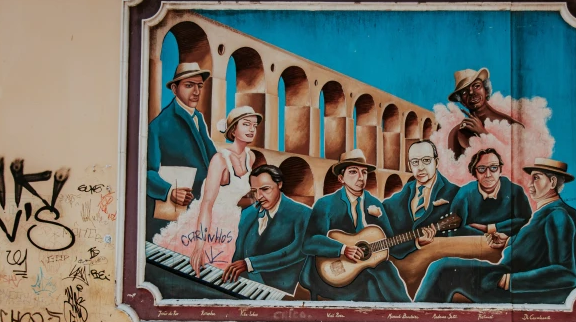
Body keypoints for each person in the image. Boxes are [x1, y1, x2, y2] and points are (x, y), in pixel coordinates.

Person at [415, 158, 576, 305]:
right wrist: (508, 241)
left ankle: (417, 321)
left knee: (443, 269)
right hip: (509, 277)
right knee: (444, 267)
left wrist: (510, 281)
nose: (530, 183)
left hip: (516, 286)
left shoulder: (558, 215)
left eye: (536, 178)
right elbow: (536, 246)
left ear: (552, 182)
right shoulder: (556, 212)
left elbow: (566, 273)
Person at [300, 149, 435, 302]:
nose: (360, 177)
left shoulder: (375, 204)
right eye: (353, 172)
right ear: (341, 178)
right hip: (331, 272)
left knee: (386, 270)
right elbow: (310, 242)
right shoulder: (326, 204)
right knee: (371, 282)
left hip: (365, 269)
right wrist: (343, 249)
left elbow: (390, 243)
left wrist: (417, 242)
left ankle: (405, 312)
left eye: (364, 172)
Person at [185, 106, 261, 275]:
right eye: (246, 124)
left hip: (236, 225)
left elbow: (243, 197)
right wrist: (199, 245)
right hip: (212, 226)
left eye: (254, 126)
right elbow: (206, 204)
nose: (251, 129)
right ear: (233, 130)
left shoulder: (251, 157)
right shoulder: (220, 160)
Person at [146, 62, 217, 240]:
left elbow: (210, 154)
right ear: (174, 89)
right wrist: (170, 191)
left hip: (200, 211)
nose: (196, 92)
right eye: (189, 85)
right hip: (174, 217)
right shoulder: (159, 125)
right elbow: (146, 171)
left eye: (199, 86)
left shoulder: (198, 117)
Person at [220, 165, 312, 295]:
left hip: (281, 291)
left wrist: (250, 264)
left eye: (265, 189)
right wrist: (231, 279)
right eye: (254, 191)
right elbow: (239, 252)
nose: (259, 197)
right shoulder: (248, 213)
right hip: (247, 285)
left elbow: (298, 250)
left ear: (279, 184)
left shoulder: (303, 213)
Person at [383, 140, 459, 259]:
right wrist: (415, 242)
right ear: (409, 166)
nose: (420, 167)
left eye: (426, 160)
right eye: (415, 162)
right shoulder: (394, 202)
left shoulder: (456, 194)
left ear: (436, 162)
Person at [451, 148, 531, 238]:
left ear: (500, 170)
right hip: (474, 246)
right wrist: (489, 237)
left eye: (494, 168)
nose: (488, 174)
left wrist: (489, 228)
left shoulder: (515, 191)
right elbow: (455, 229)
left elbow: (526, 221)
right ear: (474, 172)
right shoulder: (464, 194)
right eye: (482, 169)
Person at [447, 68, 523, 158]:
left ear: (486, 91)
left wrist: (482, 133)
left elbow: (516, 162)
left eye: (476, 86)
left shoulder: (510, 125)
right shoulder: (456, 133)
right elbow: (452, 169)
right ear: (462, 102)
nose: (471, 92)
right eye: (464, 92)